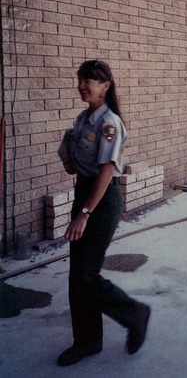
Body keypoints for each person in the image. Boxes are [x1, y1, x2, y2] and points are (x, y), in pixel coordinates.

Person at [57, 59, 150, 367]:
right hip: (85, 192)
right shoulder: (83, 119)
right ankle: (87, 342)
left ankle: (134, 313)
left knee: (86, 274)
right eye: (80, 79)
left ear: (105, 86)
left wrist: (83, 213)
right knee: (77, 276)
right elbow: (74, 161)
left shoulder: (109, 123)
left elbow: (106, 173)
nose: (82, 85)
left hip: (102, 200)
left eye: (89, 81)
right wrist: (68, 159)